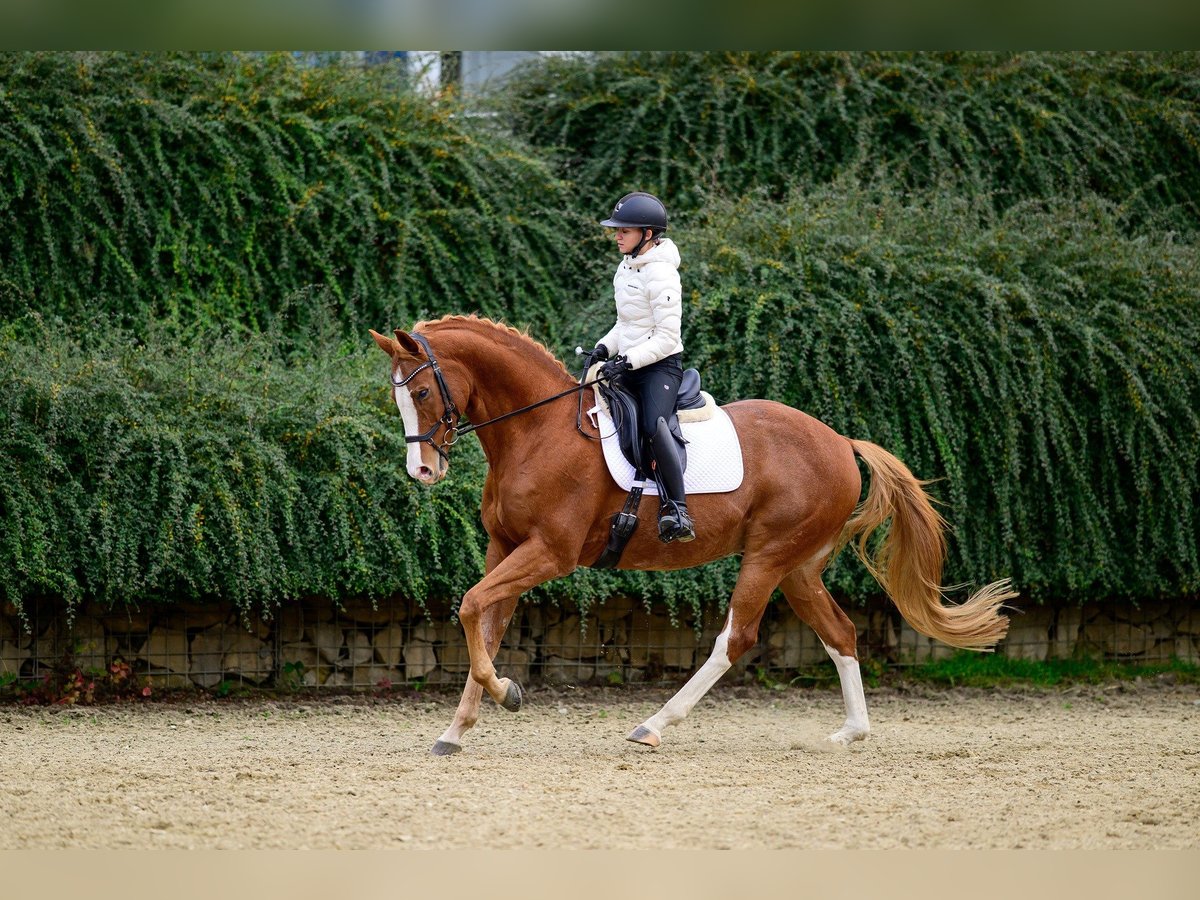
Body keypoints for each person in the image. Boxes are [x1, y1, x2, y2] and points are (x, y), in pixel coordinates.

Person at [592, 191, 695, 543]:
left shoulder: (662, 274)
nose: (617, 236)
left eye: (625, 231)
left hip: (660, 368)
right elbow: (626, 325)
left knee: (653, 424)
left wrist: (626, 360)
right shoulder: (626, 267)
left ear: (647, 234)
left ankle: (677, 509)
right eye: (617, 230)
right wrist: (604, 347)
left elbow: (667, 337)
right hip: (628, 363)